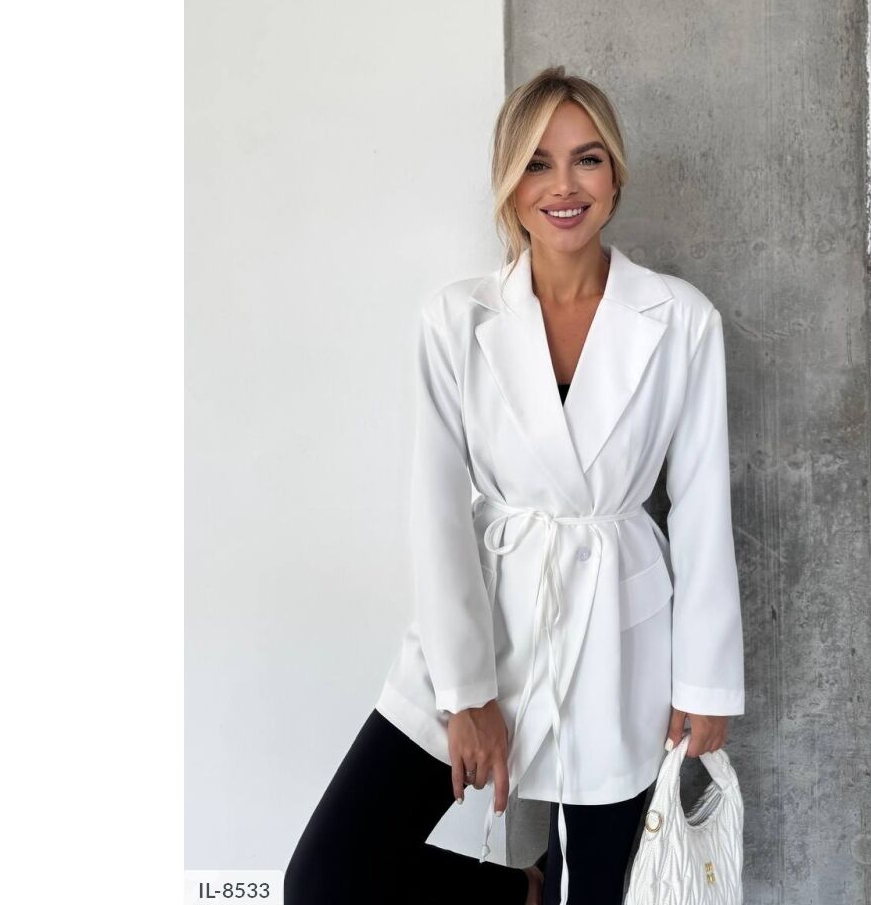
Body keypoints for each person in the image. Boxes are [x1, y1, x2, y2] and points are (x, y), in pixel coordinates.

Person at [284, 66, 746, 904]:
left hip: (618, 637)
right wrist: (466, 694)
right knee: (329, 879)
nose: (563, 186)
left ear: (615, 176)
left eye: (586, 159)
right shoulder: (456, 319)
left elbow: (702, 506)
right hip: (484, 620)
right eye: (537, 163)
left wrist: (704, 685)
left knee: (596, 890)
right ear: (507, 181)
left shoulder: (680, 319)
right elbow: (434, 510)